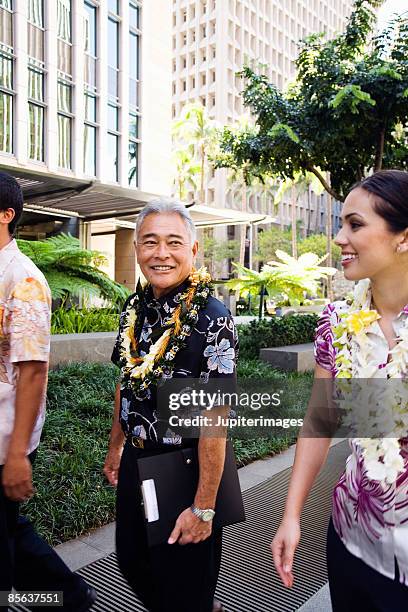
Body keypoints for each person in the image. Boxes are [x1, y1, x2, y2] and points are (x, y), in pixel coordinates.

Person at [272, 169, 408, 611]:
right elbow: (320, 419)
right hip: (350, 535)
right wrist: (291, 514)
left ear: (402, 238)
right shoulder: (336, 322)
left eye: (355, 224)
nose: (338, 238)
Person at [104, 199, 238, 612]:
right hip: (136, 463)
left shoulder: (212, 319)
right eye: (150, 242)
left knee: (182, 583)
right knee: (131, 561)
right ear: (138, 250)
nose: (160, 253)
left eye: (173, 242)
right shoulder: (136, 308)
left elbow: (216, 421)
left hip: (184, 466)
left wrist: (204, 506)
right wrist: (116, 445)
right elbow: (126, 381)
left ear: (193, 251)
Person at [0, 172, 96, 611]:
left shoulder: (24, 280)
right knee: (10, 529)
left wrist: (18, 455)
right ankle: (70, 598)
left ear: (6, 215)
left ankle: (66, 599)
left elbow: (34, 371)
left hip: (5, 439)